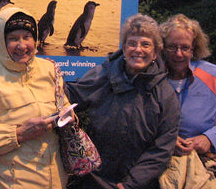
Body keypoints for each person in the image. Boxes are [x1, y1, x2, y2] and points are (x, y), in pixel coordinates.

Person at [0, 7, 74, 189]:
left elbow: (63, 107)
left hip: (55, 181)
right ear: (1, 42)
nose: (22, 45)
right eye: (13, 39)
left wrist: (68, 118)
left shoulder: (50, 70)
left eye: (26, 37)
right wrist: (17, 134)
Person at [67, 13, 180, 189]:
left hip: (140, 183)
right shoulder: (102, 75)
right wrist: (45, 77)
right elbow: (70, 96)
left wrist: (130, 184)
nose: (138, 49)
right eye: (132, 43)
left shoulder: (165, 94)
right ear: (124, 47)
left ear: (156, 51)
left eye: (145, 44)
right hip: (95, 178)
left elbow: (163, 148)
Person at [159, 14, 216, 159]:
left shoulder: (213, 75)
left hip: (205, 161)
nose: (179, 54)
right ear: (163, 47)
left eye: (185, 48)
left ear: (194, 48)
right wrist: (166, 138)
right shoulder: (154, 78)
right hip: (159, 161)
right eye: (172, 47)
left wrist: (209, 138)